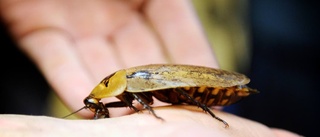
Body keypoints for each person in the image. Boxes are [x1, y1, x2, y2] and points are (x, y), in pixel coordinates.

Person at [0, 1, 301, 136]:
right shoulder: (125, 87)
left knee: (185, 94)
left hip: (208, 83)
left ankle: (210, 110)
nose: (101, 107)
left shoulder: (130, 84)